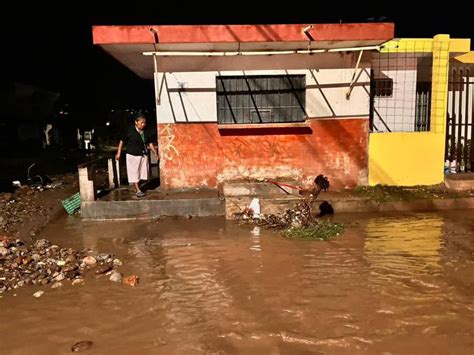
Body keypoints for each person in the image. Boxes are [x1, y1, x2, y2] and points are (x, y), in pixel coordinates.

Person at [115, 113, 158, 197]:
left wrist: (155, 152)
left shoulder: (145, 132)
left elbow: (150, 143)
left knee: (144, 173)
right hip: (132, 154)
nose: (143, 124)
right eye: (141, 122)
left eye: (144, 123)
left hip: (143, 154)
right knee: (134, 172)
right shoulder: (130, 130)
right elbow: (121, 141)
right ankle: (138, 189)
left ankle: (137, 186)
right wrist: (118, 153)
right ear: (136, 122)